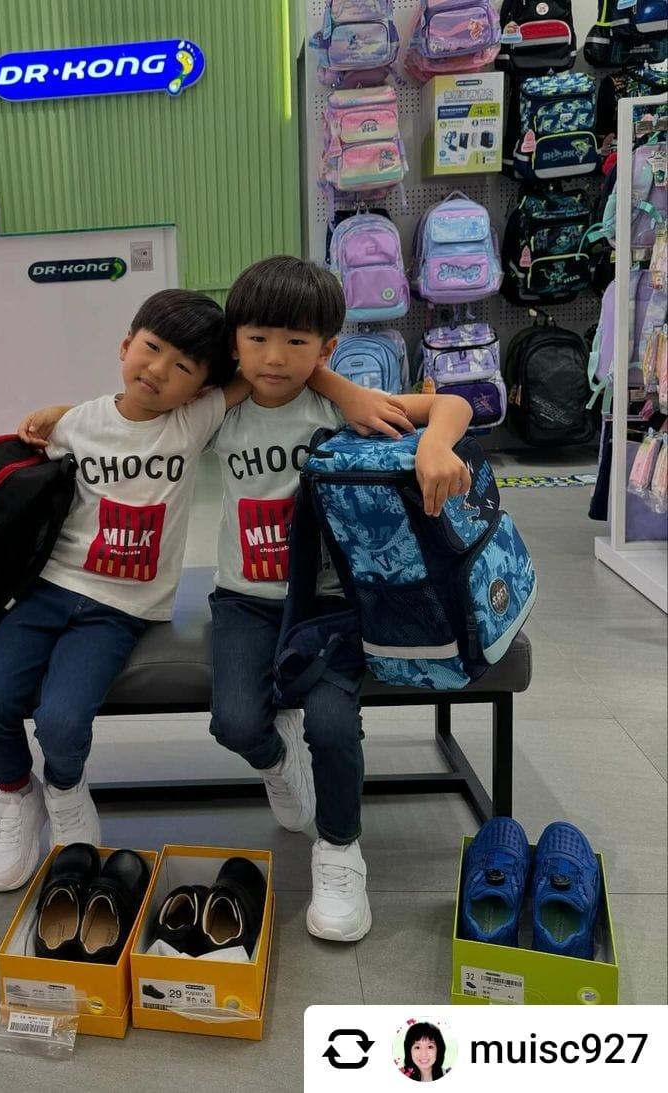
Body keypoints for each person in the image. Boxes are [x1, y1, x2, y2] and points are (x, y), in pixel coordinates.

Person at [0, 289, 248, 891]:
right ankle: (16, 795)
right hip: (48, 590)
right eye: (151, 348)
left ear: (200, 388)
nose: (158, 369)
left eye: (183, 366)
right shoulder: (77, 422)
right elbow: (9, 457)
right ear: (126, 344)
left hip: (120, 610)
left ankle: (65, 790)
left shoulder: (192, 422)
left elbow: (266, 374)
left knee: (62, 721)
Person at [207, 256, 473, 944]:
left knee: (329, 723)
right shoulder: (221, 411)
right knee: (234, 723)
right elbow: (140, 408)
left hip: (332, 603)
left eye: (296, 342)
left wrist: (434, 446)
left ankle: (339, 851)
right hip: (245, 600)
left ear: (325, 348)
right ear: (235, 341)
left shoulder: (342, 405)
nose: (274, 357)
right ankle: (278, 762)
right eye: (258, 338)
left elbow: (453, 405)